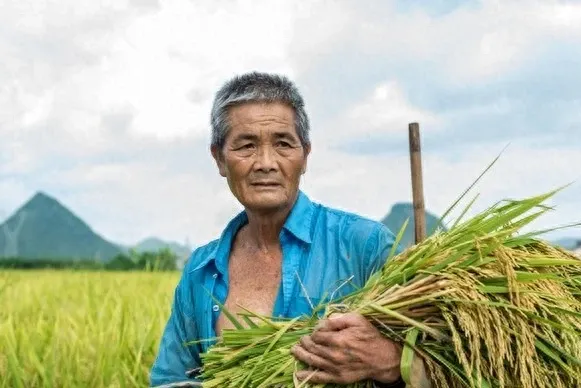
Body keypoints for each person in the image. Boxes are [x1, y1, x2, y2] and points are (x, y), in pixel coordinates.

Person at [149, 72, 432, 388]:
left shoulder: (364, 246)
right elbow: (169, 379)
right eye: (246, 146)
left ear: (305, 155)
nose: (266, 163)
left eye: (283, 144)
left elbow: (444, 353)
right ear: (219, 158)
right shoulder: (201, 271)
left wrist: (392, 359)